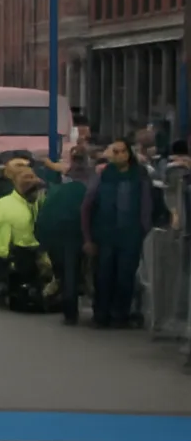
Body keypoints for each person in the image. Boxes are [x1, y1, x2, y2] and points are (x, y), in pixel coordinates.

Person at [81, 138, 154, 328]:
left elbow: (146, 206)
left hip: (130, 236)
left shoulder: (140, 176)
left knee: (125, 276)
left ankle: (120, 314)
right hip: (104, 236)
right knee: (103, 276)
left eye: (123, 151)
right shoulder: (102, 177)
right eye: (116, 151)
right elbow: (88, 206)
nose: (120, 155)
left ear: (129, 153)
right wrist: (88, 237)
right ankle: (101, 314)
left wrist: (142, 230)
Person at [35, 145, 95, 324]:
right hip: (76, 234)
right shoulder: (88, 189)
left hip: (55, 234)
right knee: (74, 271)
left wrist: (43, 240)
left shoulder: (57, 191)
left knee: (65, 272)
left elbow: (44, 215)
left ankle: (69, 310)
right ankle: (74, 307)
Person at [0, 168, 50, 312]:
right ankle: (0, 285)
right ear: (28, 191)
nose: (39, 194)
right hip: (9, 256)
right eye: (36, 190)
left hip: (20, 255)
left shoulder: (34, 205)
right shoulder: (6, 208)